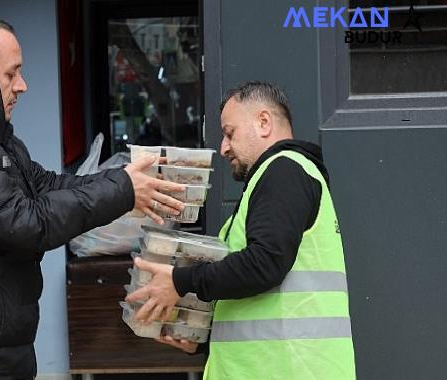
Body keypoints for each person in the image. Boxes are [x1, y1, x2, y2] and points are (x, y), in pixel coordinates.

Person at [0, 16, 185, 379]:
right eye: (11, 74)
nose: (22, 86)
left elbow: (50, 188)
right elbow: (24, 223)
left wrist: (127, 182)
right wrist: (122, 190)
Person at [127, 81, 356, 379]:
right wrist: (202, 340)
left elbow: (264, 264)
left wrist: (179, 281)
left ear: (263, 122)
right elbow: (255, 294)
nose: (222, 148)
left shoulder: (284, 170)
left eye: (229, 133)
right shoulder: (278, 177)